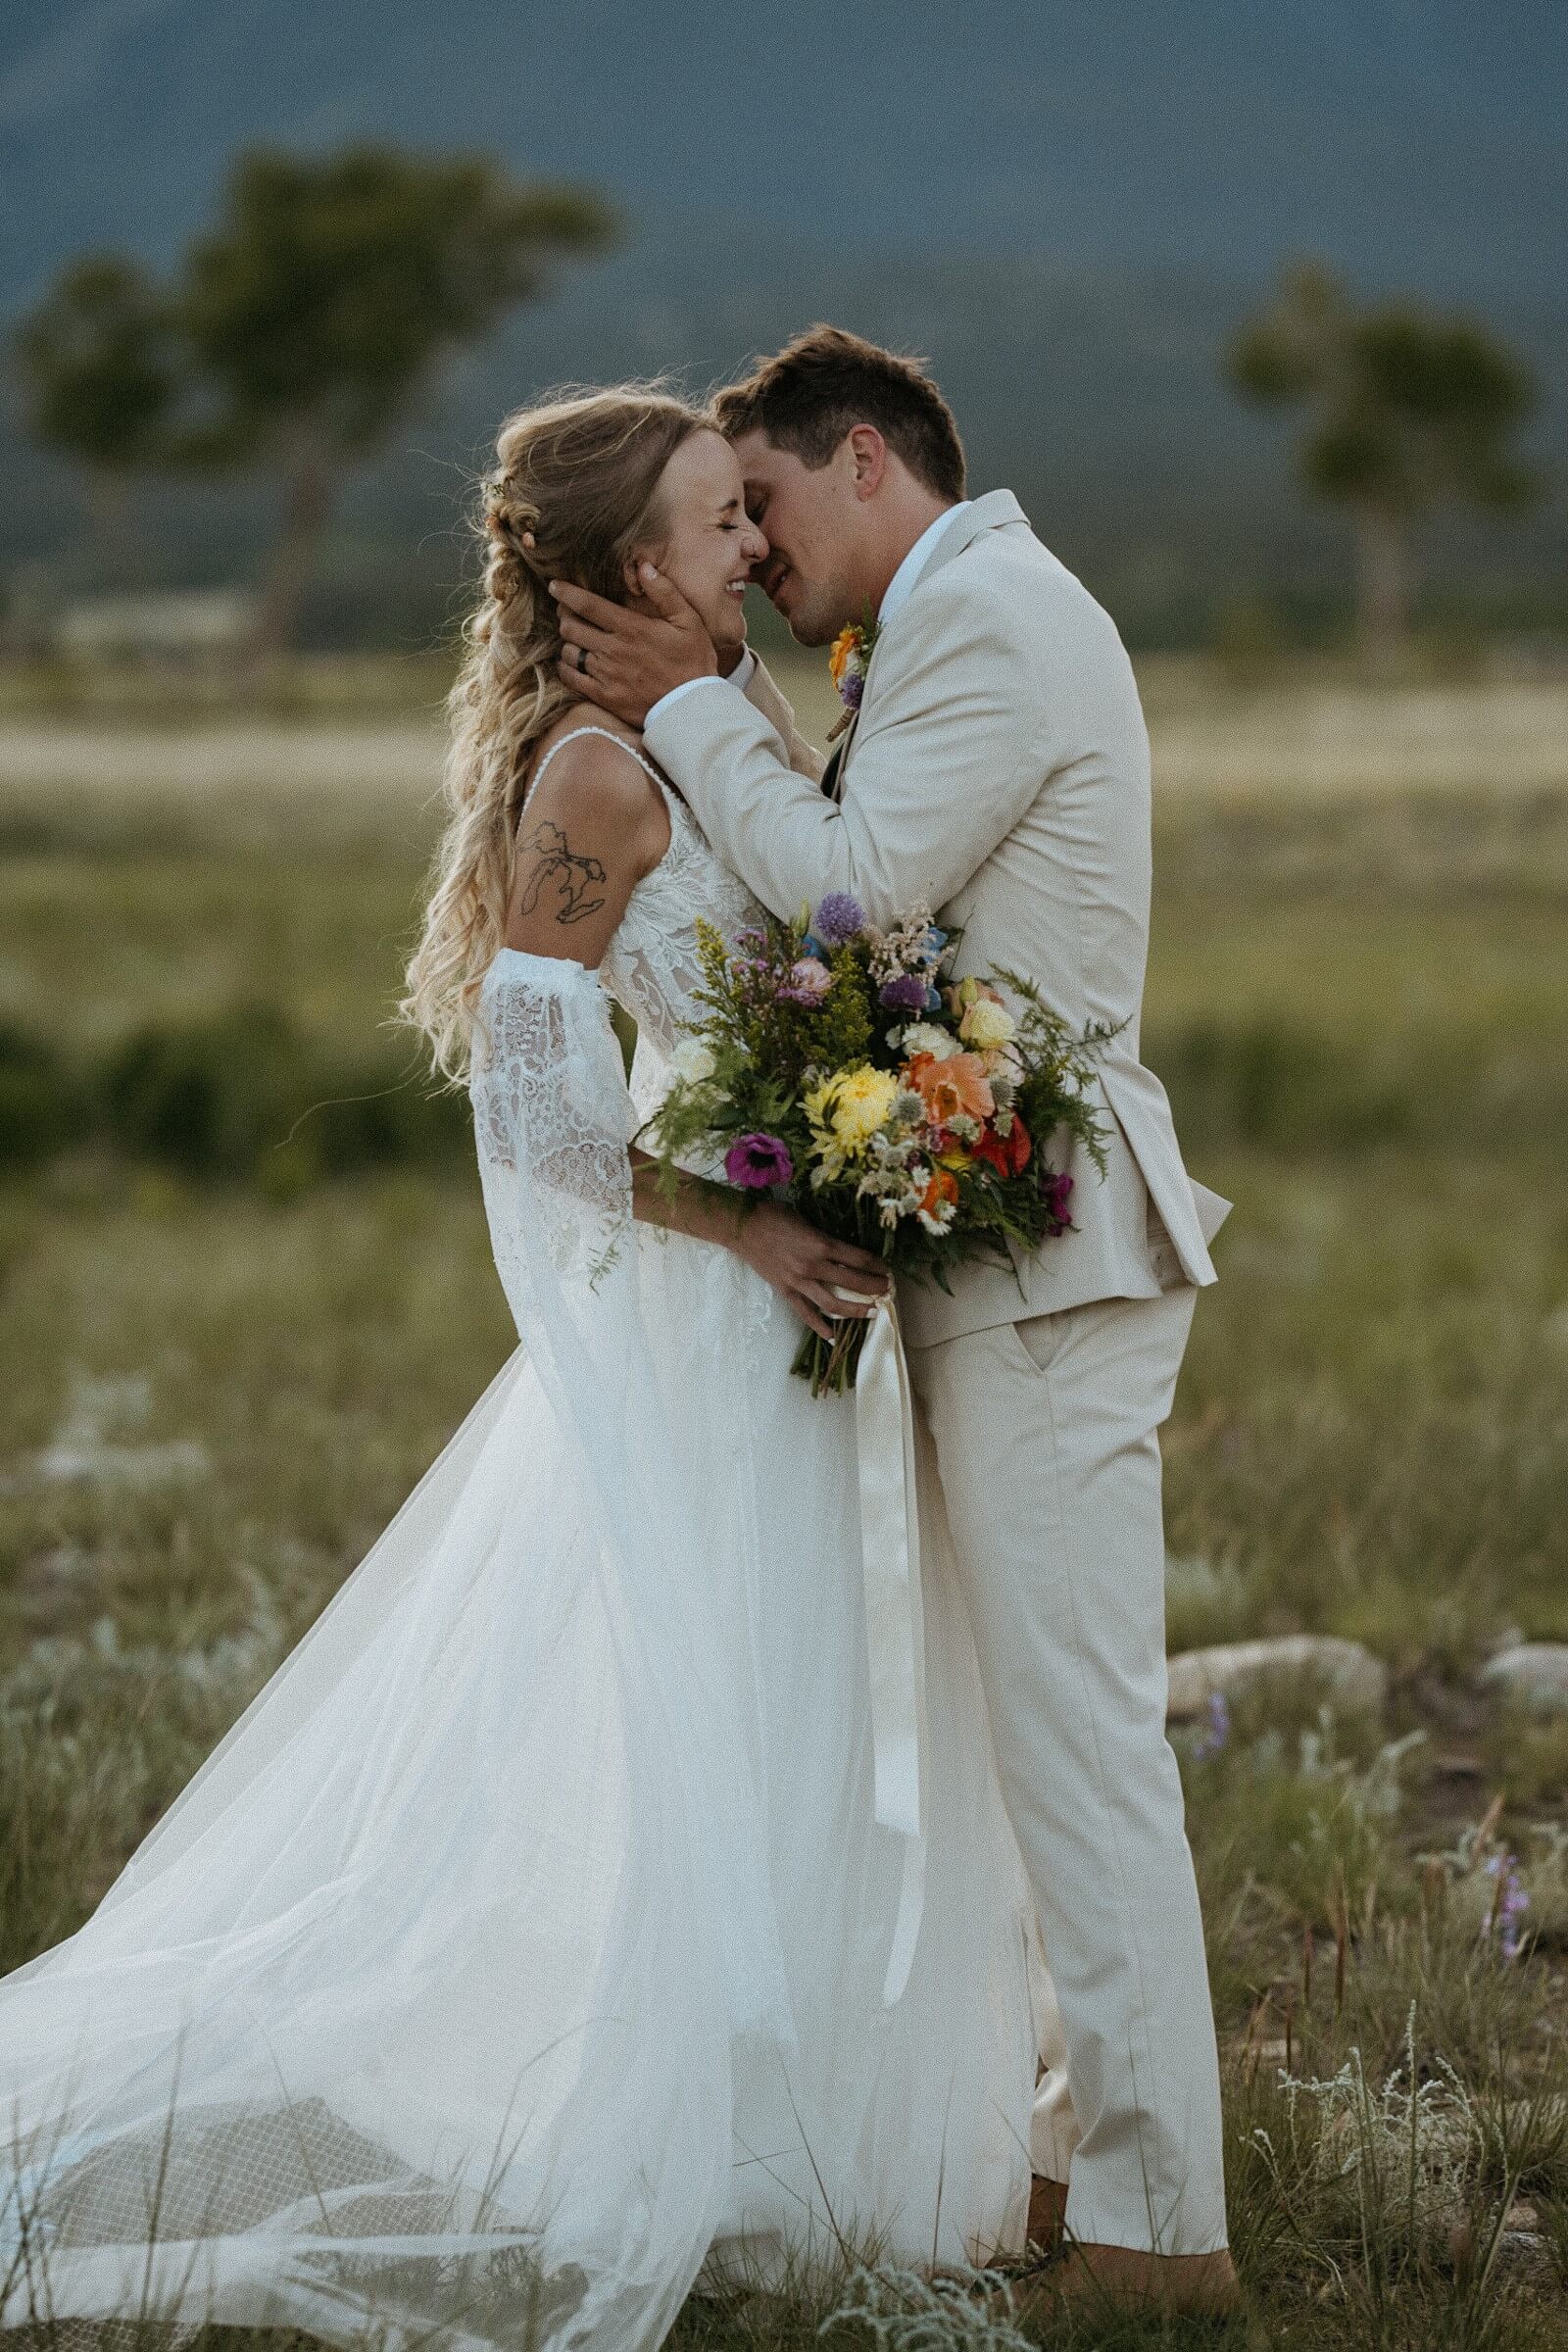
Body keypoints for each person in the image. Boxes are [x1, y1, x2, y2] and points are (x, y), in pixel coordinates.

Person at [0, 388, 1045, 2352]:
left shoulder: (696, 739)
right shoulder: (596, 783)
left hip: (779, 1301)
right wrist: (746, 1219)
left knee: (792, 1707)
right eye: (715, 520)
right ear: (628, 570)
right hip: (708, 1322)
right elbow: (538, 1114)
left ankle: (799, 2125)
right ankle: (706, 2133)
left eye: (750, 514)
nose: (751, 543)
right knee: (718, 1717)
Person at [550, 328, 1241, 2318]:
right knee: (1016, 1740)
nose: (747, 556)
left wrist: (692, 710)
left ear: (863, 459)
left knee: (1078, 1741)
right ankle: (1058, 2146)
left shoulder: (996, 624)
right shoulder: (934, 627)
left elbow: (851, 898)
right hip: (989, 1238)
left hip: (1048, 1252)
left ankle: (1158, 2226)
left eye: (754, 505)